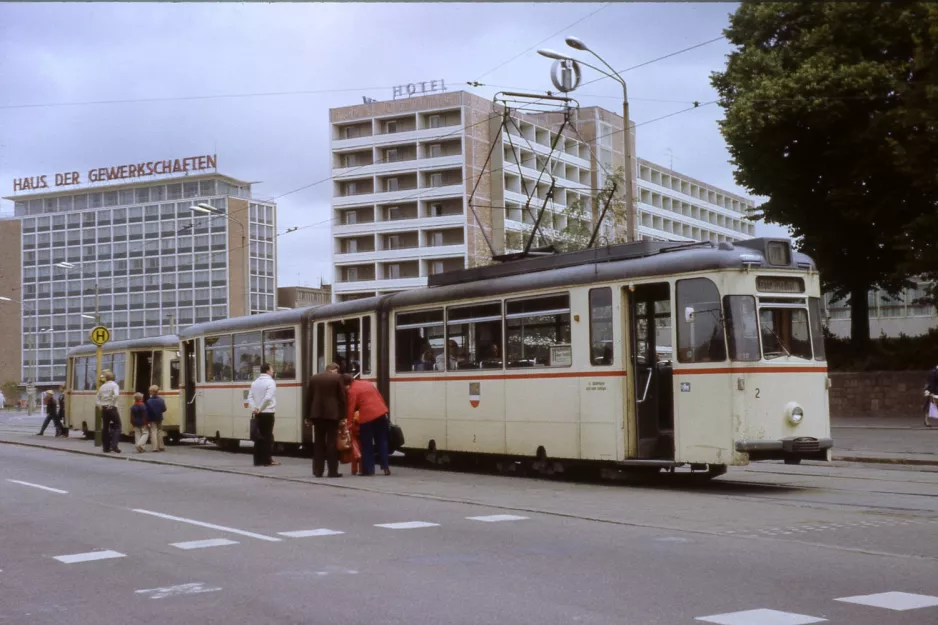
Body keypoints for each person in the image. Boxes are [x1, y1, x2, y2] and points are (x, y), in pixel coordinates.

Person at [305, 362, 347, 478]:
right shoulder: (337, 378)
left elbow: (308, 399)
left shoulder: (314, 378)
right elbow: (342, 398)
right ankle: (332, 472)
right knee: (331, 444)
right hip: (332, 415)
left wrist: (307, 417)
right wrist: (343, 416)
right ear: (335, 369)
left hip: (317, 415)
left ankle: (318, 471)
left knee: (318, 443)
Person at [346, 376, 391, 476]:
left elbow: (351, 408)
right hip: (380, 413)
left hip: (367, 416)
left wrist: (348, 424)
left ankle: (368, 470)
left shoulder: (352, 390)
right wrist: (385, 410)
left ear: (347, 384)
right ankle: (386, 467)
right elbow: (379, 396)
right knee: (382, 441)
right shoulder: (367, 383)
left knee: (367, 443)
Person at [248, 363, 279, 467]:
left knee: (258, 437)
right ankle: (267, 460)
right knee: (267, 436)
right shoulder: (271, 382)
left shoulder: (255, 382)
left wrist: (254, 408)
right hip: (268, 412)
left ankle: (257, 460)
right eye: (272, 369)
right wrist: (260, 408)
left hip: (257, 413)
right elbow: (268, 398)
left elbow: (250, 397)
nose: (273, 371)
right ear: (267, 371)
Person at [96, 370, 121, 453]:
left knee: (105, 427)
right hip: (112, 408)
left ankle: (105, 447)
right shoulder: (114, 385)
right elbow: (116, 395)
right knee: (117, 426)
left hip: (104, 408)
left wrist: (101, 405)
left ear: (105, 378)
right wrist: (112, 403)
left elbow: (97, 398)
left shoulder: (102, 387)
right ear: (113, 377)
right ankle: (114, 445)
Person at [145, 385, 167, 452]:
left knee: (153, 431)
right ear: (158, 392)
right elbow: (164, 409)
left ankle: (154, 447)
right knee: (160, 431)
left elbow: (147, 411)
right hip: (159, 417)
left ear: (151, 392)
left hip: (151, 418)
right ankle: (161, 446)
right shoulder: (161, 400)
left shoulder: (148, 401)